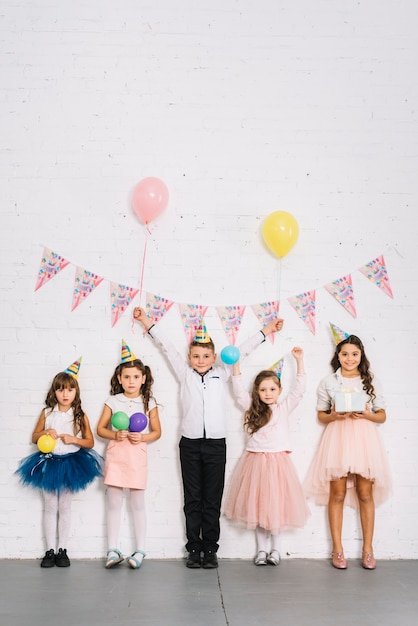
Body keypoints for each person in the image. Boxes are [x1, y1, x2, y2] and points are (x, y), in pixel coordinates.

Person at [134, 306, 284, 569]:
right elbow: (166, 345)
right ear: (189, 357)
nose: (201, 360)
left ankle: (210, 549)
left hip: (216, 444)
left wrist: (267, 330)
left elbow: (244, 349)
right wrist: (146, 320)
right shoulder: (184, 372)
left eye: (205, 356)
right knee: (192, 498)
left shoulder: (222, 372)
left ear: (214, 356)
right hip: (190, 443)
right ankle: (194, 548)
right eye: (196, 356)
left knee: (212, 498)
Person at [304, 335, 391, 570]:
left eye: (354, 354)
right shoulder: (329, 382)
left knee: (365, 493)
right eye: (344, 354)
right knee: (338, 494)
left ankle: (368, 549)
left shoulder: (369, 380)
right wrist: (334, 415)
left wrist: (367, 414)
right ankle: (338, 549)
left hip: (364, 440)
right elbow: (321, 415)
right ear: (337, 356)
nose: (349, 358)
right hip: (338, 439)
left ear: (361, 356)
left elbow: (381, 415)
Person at [223, 347, 310, 565]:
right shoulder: (251, 407)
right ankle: (261, 551)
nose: (268, 393)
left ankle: (276, 550)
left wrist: (299, 361)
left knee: (277, 507)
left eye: (272, 389)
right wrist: (236, 366)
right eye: (263, 390)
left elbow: (299, 391)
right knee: (259, 507)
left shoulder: (283, 408)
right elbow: (238, 391)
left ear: (279, 390)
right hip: (255, 463)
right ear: (257, 392)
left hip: (278, 463)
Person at [15, 358, 102, 568]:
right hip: (50, 463)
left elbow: (89, 442)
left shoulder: (80, 415)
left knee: (65, 505)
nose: (65, 394)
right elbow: (34, 438)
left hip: (70, 463)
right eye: (61, 390)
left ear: (76, 393)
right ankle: (49, 550)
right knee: (50, 506)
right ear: (54, 392)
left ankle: (63, 549)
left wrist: (74, 439)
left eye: (70, 390)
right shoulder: (47, 413)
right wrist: (45, 432)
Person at [97, 340, 161, 570]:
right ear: (119, 379)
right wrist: (115, 435)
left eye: (136, 377)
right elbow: (100, 429)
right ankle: (112, 549)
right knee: (113, 503)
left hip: (137, 456)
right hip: (116, 455)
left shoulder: (148, 402)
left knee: (137, 503)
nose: (131, 381)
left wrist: (142, 437)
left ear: (143, 378)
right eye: (127, 377)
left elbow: (157, 432)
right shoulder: (112, 401)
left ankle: (140, 549)